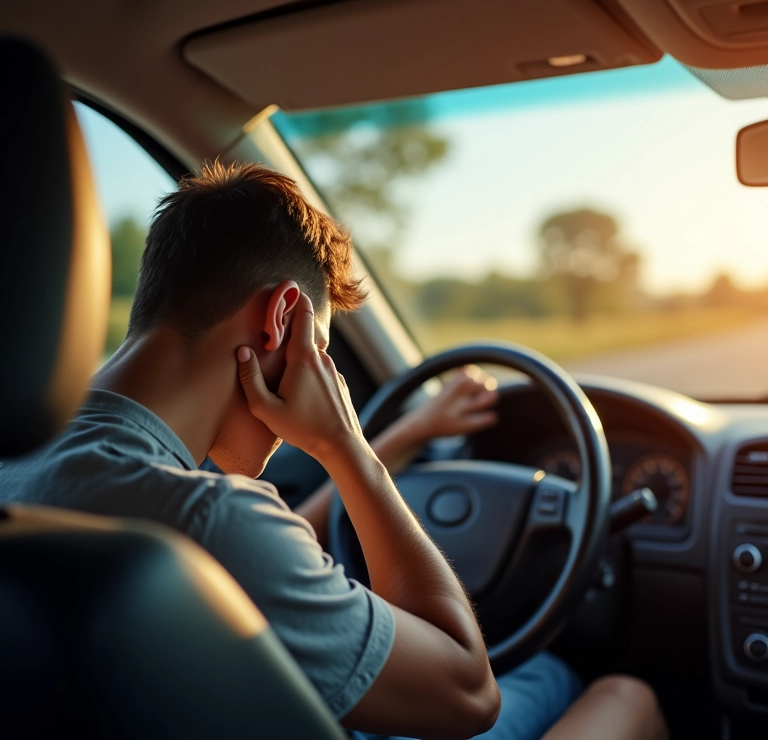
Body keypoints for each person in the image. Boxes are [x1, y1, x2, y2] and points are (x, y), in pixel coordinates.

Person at [0, 161, 667, 740]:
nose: (321, 373)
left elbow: (269, 565)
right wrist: (350, 451)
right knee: (619, 695)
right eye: (317, 347)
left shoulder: (34, 466)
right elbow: (470, 691)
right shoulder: (212, 519)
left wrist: (399, 439)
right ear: (280, 318)